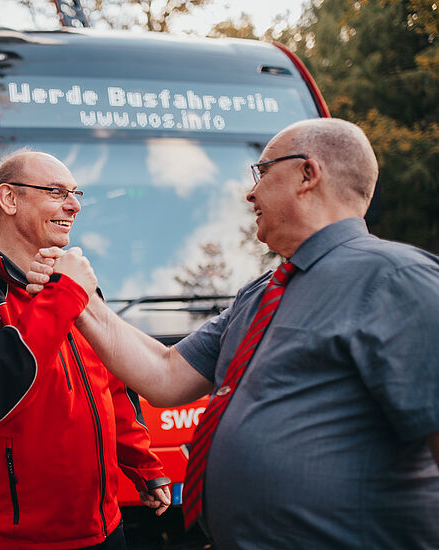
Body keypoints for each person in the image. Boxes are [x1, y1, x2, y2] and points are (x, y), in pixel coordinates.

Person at [27, 119, 439, 549]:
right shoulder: (263, 293)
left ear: (307, 175)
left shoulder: (399, 281)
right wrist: (81, 297)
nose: (250, 192)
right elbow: (165, 376)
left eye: (262, 172)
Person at [0, 150, 172, 550]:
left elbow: (111, 386)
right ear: (9, 200)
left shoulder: (71, 288)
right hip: (13, 540)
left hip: (105, 530)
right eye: (57, 192)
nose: (74, 205)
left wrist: (143, 465)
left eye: (75, 193)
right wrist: (65, 294)